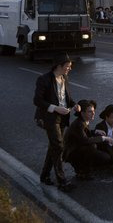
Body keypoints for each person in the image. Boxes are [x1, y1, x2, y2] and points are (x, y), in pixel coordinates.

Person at [33, 52, 80, 191]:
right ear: (59, 66)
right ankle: (62, 181)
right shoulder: (44, 79)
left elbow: (67, 99)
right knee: (59, 146)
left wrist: (75, 105)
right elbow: (37, 100)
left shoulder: (64, 78)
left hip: (63, 117)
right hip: (49, 117)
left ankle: (45, 175)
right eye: (68, 66)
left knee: (55, 146)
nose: (70, 68)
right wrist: (55, 109)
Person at [63, 100, 113, 181]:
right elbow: (85, 140)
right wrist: (104, 138)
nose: (93, 113)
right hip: (71, 152)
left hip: (78, 147)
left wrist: (95, 131)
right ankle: (82, 171)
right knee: (93, 147)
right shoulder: (79, 124)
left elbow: (84, 134)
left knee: (98, 146)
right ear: (82, 113)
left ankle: (87, 167)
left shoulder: (83, 121)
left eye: (93, 111)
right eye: (90, 112)